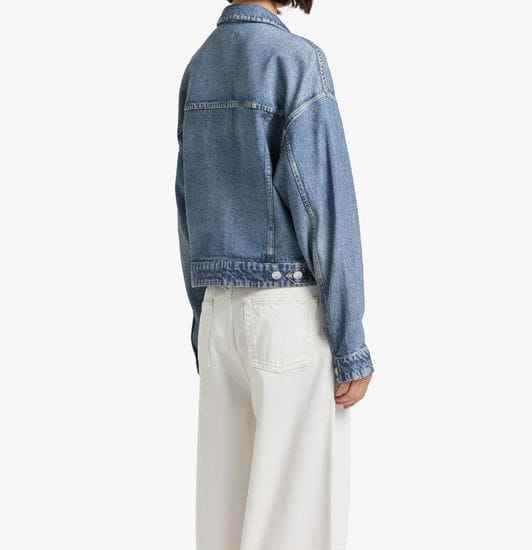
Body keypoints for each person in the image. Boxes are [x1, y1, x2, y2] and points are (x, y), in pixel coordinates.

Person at [175, 1, 374, 549]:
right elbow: (324, 206)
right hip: (287, 317)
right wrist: (350, 341)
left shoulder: (200, 66)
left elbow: (188, 206)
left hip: (219, 313)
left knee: (223, 519)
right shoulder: (294, 60)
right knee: (296, 523)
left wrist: (201, 320)